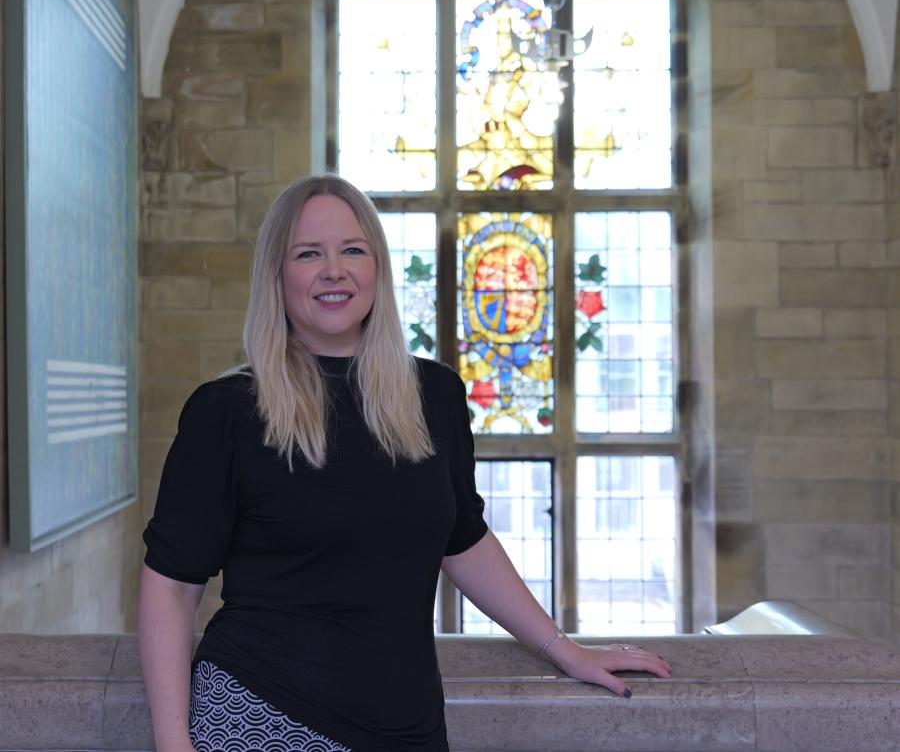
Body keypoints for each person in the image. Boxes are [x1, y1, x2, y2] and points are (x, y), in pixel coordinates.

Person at [138, 174, 671, 752]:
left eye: (353, 250)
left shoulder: (433, 395)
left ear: (378, 268)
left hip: (409, 724)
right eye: (308, 254)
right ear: (276, 275)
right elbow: (171, 587)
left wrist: (562, 648)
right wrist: (174, 745)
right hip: (261, 713)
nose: (334, 271)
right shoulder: (227, 412)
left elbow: (462, 540)